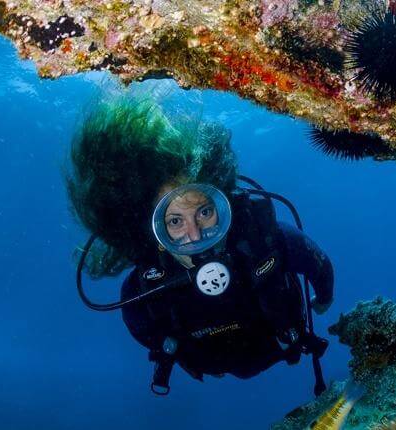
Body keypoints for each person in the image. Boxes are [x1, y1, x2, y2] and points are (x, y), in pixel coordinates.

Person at [66, 97, 334, 395]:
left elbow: (320, 267)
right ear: (154, 229)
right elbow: (143, 330)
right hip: (213, 366)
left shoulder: (270, 241)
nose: (194, 236)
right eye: (175, 222)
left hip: (281, 347)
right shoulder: (141, 290)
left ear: (223, 204)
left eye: (204, 213)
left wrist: (322, 299)